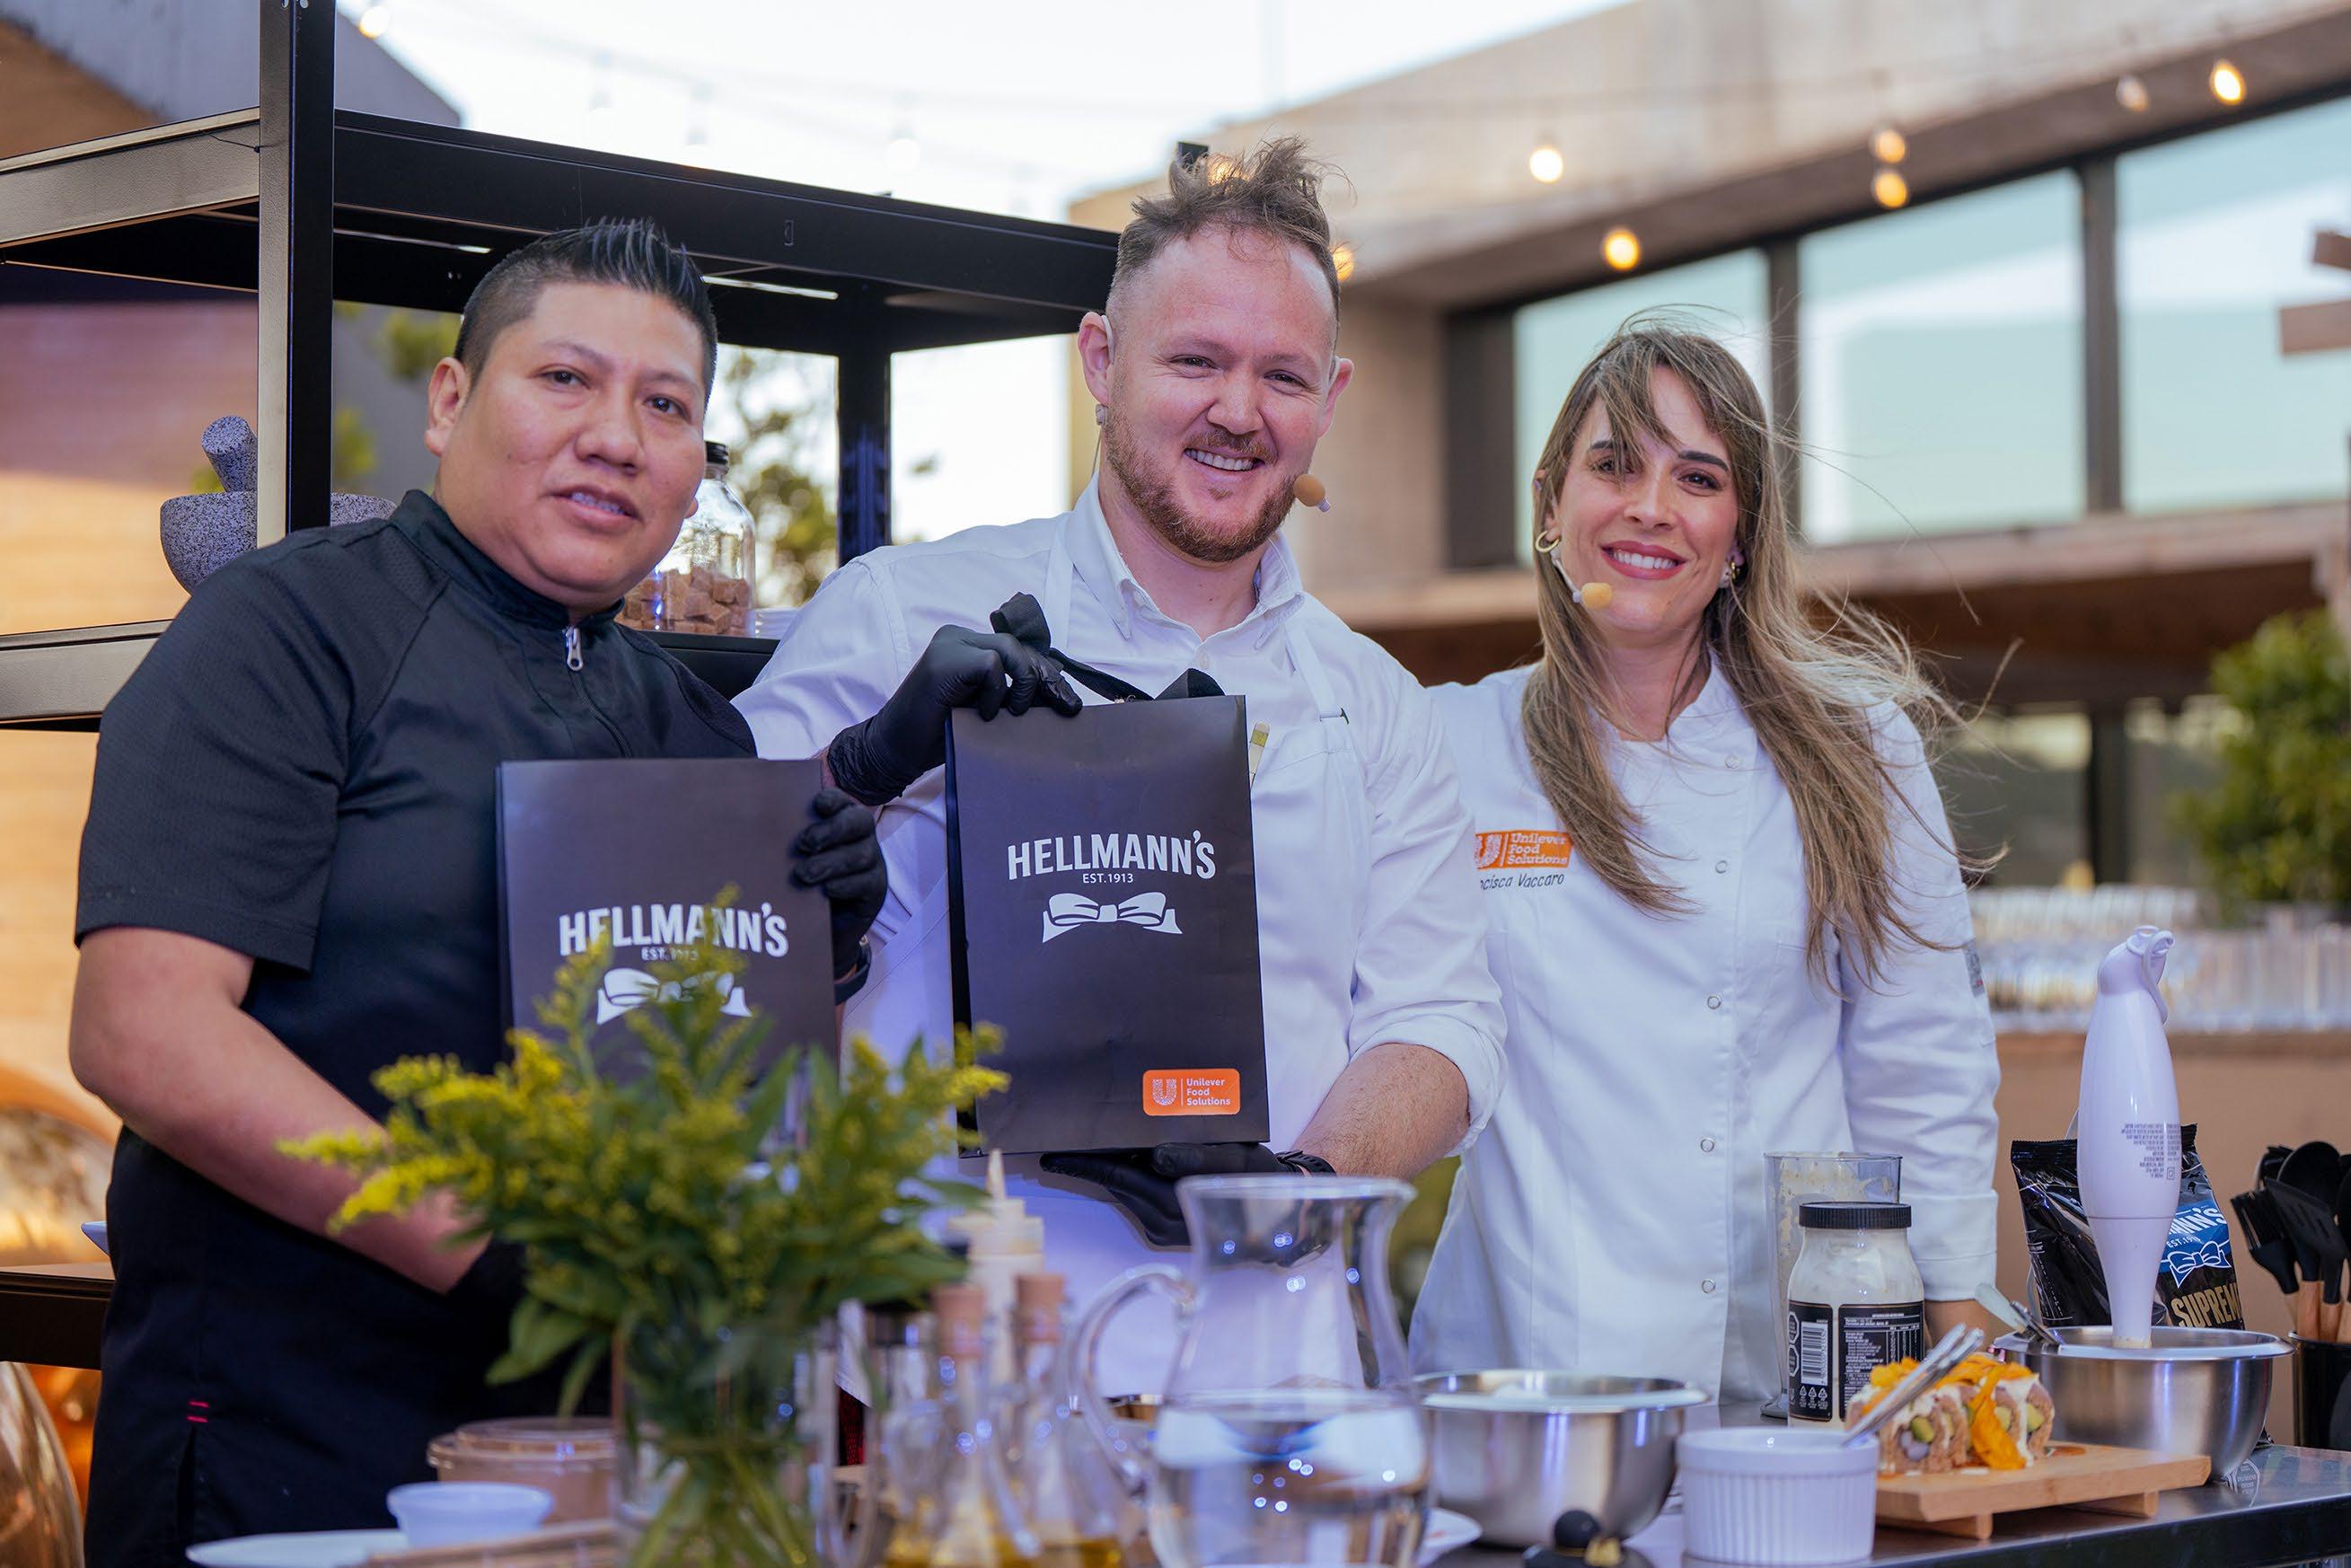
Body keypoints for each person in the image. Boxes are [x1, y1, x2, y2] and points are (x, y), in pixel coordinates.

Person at [70, 219, 886, 1564]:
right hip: (294, 1447)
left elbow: (721, 1103)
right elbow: (141, 1029)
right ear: (449, 403)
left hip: (595, 1462)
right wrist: (490, 1239)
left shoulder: (691, 728)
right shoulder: (286, 631)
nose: (615, 436)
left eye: (665, 404)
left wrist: (818, 951)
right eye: (564, 379)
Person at [733, 139, 1505, 1388]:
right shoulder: (895, 613)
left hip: (1265, 1380)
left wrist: (1292, 1186)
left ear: (1330, 396)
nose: (1238, 411)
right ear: (1098, 360)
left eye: (1281, 375)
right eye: (1194, 361)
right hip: (943, 1384)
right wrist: (863, 768)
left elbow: (1441, 1022)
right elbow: (702, 930)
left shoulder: (1373, 702)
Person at [1408, 321, 2002, 1404]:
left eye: (1696, 477)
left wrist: (1955, 1310)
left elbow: (1920, 1061)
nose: (1649, 507)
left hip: (1795, 1366)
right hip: (1521, 1374)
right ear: (1548, 505)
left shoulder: (1856, 750)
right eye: (1612, 464)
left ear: (1738, 536)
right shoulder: (1445, 744)